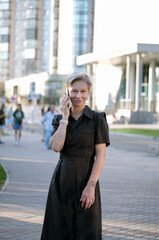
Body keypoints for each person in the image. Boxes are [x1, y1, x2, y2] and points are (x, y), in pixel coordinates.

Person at [41, 72, 110, 240]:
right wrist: (65, 117)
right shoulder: (59, 119)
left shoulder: (97, 119)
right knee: (59, 229)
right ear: (67, 92)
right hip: (62, 180)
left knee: (86, 230)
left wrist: (91, 185)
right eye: (74, 91)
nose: (78, 95)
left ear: (88, 93)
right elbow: (56, 147)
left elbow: (100, 155)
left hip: (86, 179)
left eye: (83, 91)